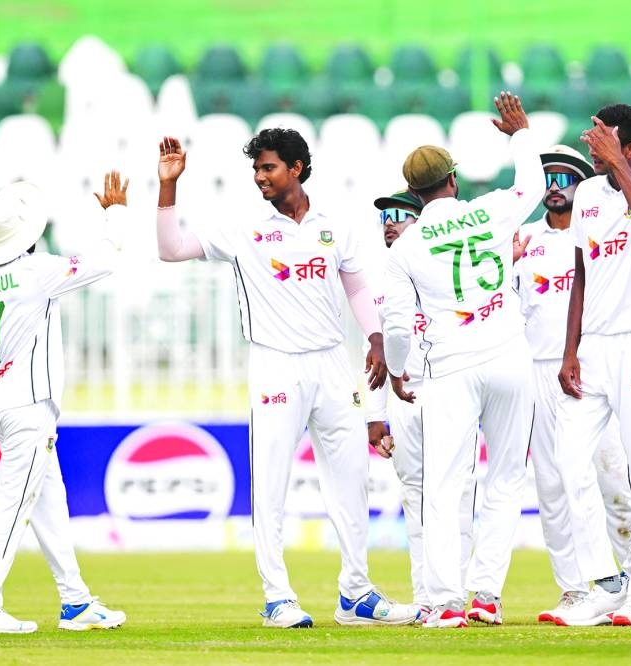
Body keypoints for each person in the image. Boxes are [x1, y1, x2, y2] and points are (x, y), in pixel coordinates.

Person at [154, 129, 419, 629]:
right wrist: (169, 186)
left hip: (331, 363)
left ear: (296, 168)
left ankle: (356, 594)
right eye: (256, 169)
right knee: (271, 483)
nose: (260, 177)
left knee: (351, 480)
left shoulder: (333, 224)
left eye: (269, 167)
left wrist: (376, 336)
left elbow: (356, 287)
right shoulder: (244, 226)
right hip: (275, 364)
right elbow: (170, 249)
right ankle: (278, 597)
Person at [0, 174, 130, 634]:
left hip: (3, 405)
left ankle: (75, 602)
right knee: (14, 505)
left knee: (50, 505)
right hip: (30, 405)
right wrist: (114, 213)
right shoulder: (36, 271)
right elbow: (105, 261)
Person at [382, 91, 544, 628]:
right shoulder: (490, 210)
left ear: (413, 193)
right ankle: (486, 595)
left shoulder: (405, 247)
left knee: (444, 485)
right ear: (452, 180)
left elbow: (397, 327)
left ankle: (445, 599)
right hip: (508, 355)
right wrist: (520, 135)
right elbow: (533, 186)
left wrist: (399, 370)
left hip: (450, 367)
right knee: (506, 477)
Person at [554, 104, 631, 627]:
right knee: (567, 461)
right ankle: (607, 583)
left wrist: (620, 168)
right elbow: (580, 273)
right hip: (593, 349)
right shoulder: (586, 194)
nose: (592, 149)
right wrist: (569, 350)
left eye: (603, 141)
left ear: (630, 148)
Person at [510, 145, 631, 625]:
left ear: (583, 186)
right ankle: (574, 590)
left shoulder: (600, 232)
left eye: (565, 178)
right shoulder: (522, 238)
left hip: (592, 367)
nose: (555, 187)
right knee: (552, 485)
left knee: (614, 479)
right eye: (548, 178)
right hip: (537, 369)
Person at [366, 189, 476, 617]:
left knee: (456, 496)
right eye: (385, 217)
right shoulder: (380, 283)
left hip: (450, 391)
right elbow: (374, 355)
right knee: (415, 498)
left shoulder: (453, 271)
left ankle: (456, 594)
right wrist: (375, 415)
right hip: (404, 401)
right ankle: (427, 599)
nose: (390, 223)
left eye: (399, 215)